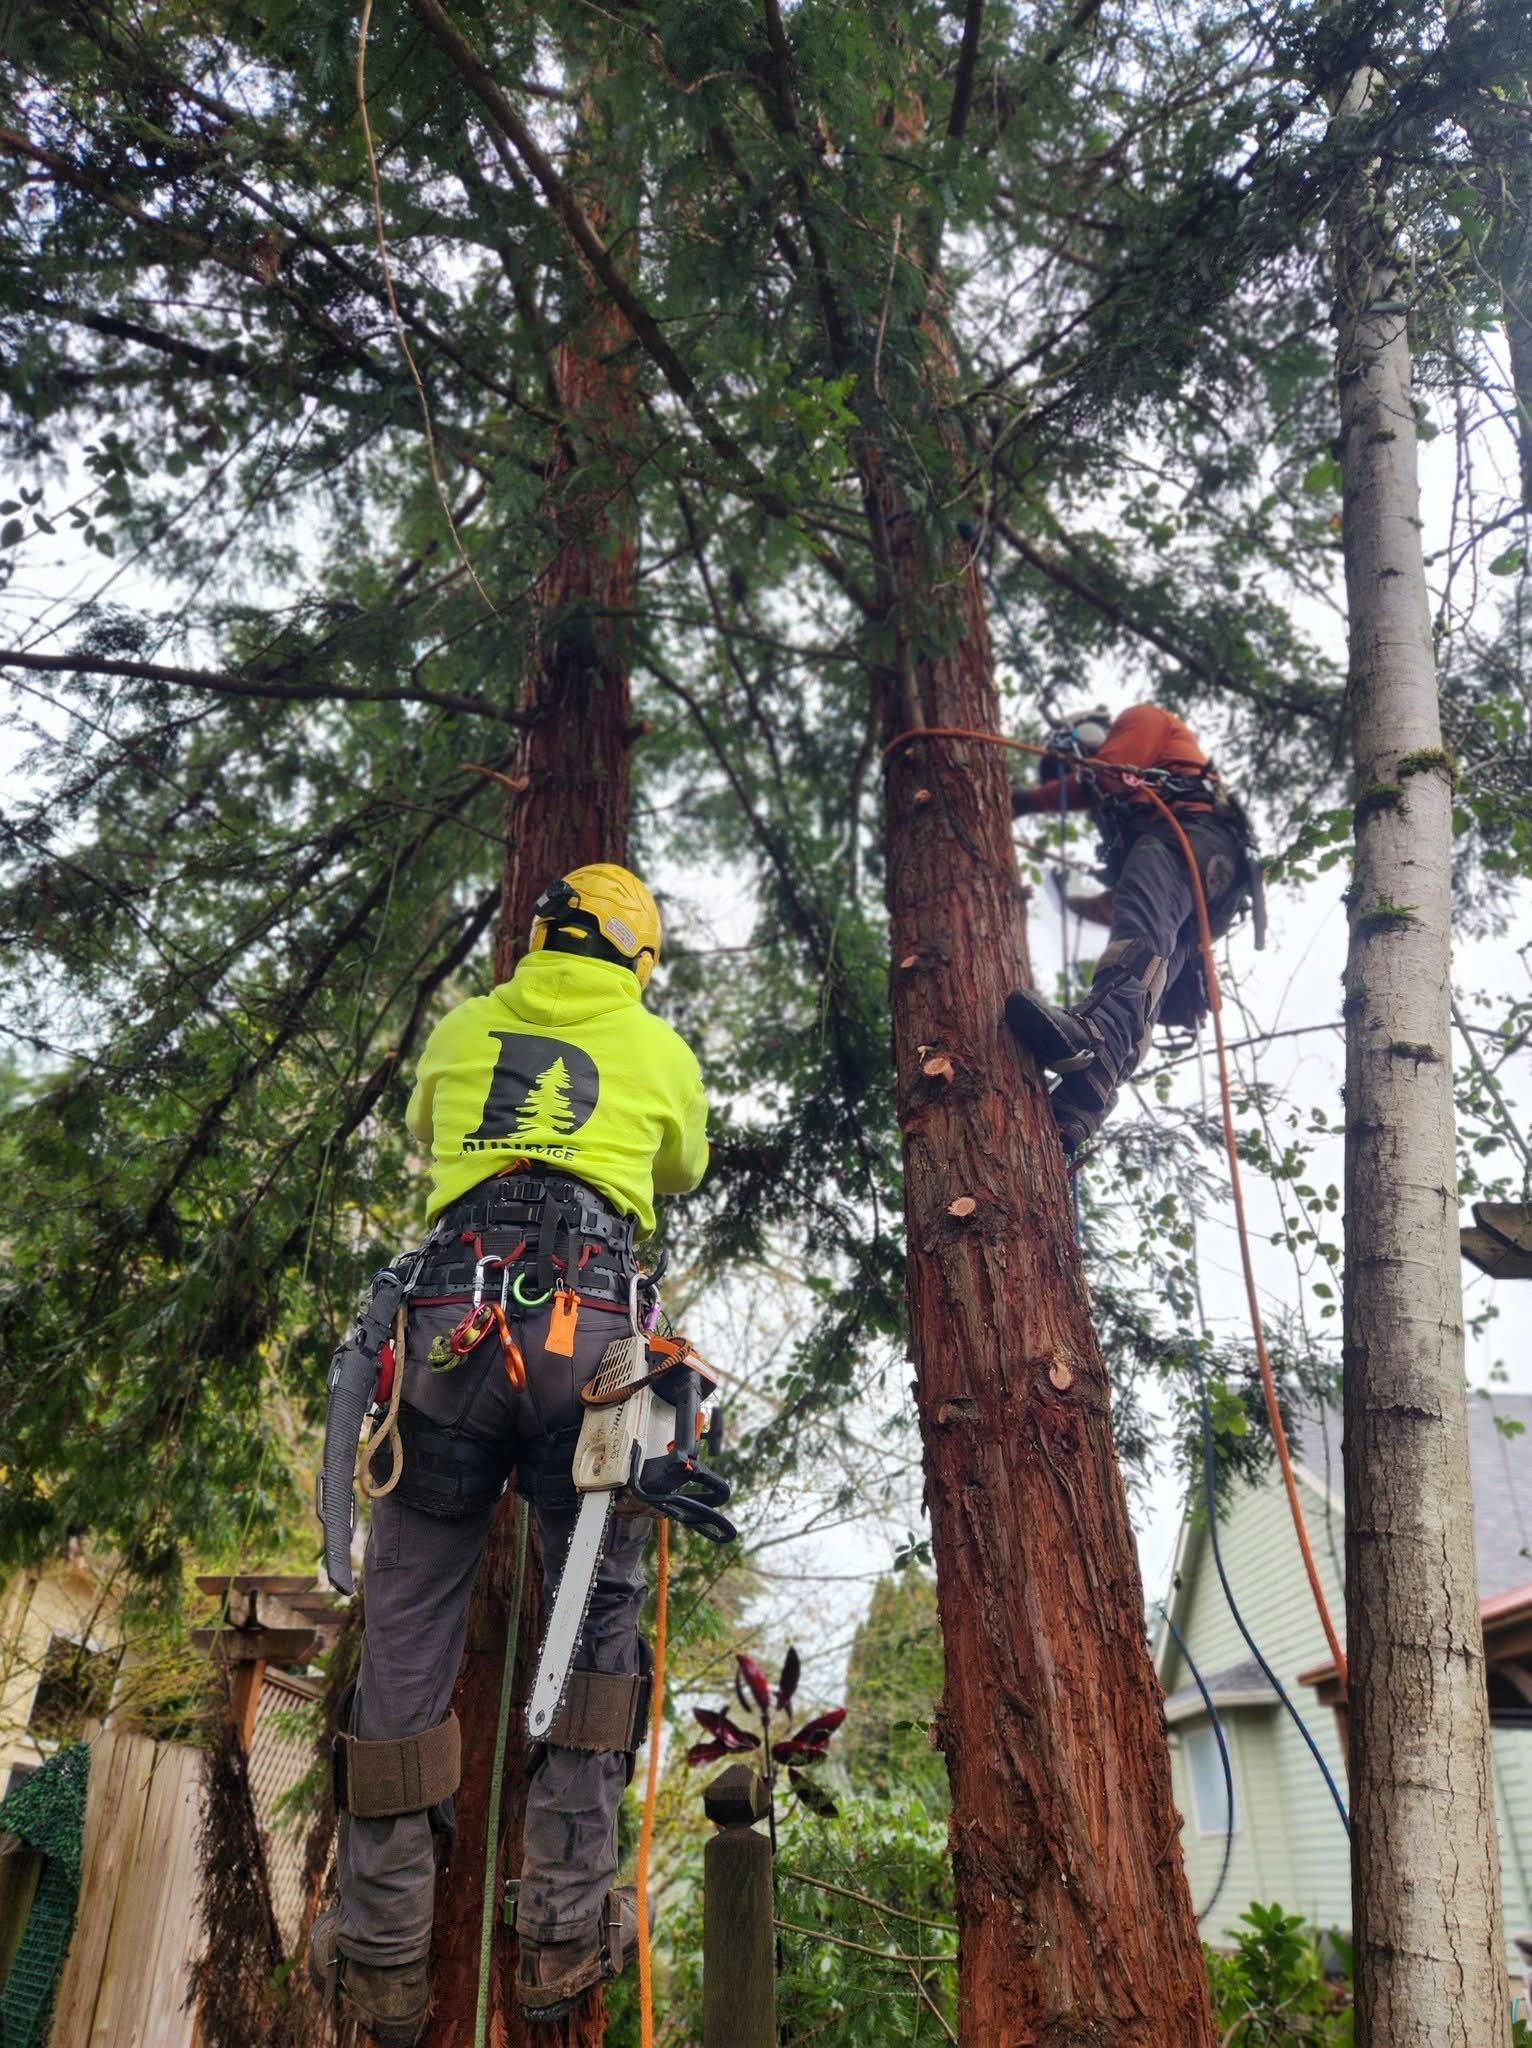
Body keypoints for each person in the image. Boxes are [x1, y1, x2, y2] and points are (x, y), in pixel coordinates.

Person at [309, 863, 708, 2043]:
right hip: (590, 1334)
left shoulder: (467, 1024)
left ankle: (382, 1956)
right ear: (634, 957)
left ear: (537, 939)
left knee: (410, 1618)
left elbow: (432, 1124)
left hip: (450, 1327)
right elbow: (677, 1164)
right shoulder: (657, 1044)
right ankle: (562, 1932)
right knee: (593, 1629)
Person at [1004, 703, 1252, 1152]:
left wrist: (1023, 802)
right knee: (1152, 969)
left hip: (1189, 836)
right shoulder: (1135, 813)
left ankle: (1095, 1037)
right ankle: (1087, 1098)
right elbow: (1133, 898)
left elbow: (1110, 771)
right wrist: (1076, 904)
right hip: (1214, 880)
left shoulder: (1141, 719)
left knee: (1140, 942)